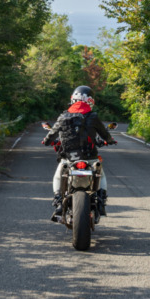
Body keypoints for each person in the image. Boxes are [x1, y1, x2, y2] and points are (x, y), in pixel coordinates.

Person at [42, 85, 115, 221]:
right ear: (91, 101)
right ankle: (101, 201)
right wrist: (110, 140)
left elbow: (52, 134)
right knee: (101, 175)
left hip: (68, 158)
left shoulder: (63, 116)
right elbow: (105, 134)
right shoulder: (93, 116)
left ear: (72, 99)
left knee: (58, 176)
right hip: (90, 157)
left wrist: (46, 141)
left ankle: (59, 201)